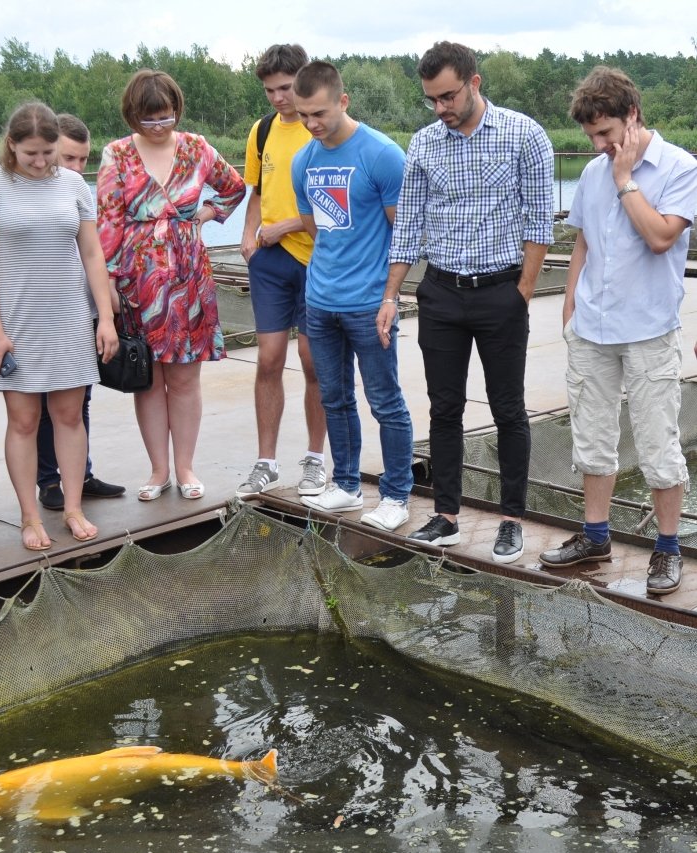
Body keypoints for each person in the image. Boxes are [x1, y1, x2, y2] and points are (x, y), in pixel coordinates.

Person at [379, 41, 555, 563]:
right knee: (445, 406)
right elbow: (407, 225)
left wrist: (522, 292)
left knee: (507, 409)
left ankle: (511, 519)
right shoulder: (425, 143)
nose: (441, 108)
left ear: (474, 83)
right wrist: (391, 296)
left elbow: (540, 220)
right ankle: (447, 515)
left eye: (449, 96)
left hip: (501, 290)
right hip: (441, 293)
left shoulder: (525, 134)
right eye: (432, 99)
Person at [538, 67, 697, 596]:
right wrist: (568, 304)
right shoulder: (589, 173)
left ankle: (668, 547)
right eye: (592, 139)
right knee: (591, 437)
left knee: (658, 443)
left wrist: (627, 179)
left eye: (606, 134)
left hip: (649, 328)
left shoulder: (678, 167)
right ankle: (595, 535)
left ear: (632, 115)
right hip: (592, 326)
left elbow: (658, 237)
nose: (601, 146)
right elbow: (582, 243)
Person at [0, 102, 118, 547]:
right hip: (18, 316)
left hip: (69, 314)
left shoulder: (73, 184)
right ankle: (29, 516)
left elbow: (92, 254)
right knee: (24, 420)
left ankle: (73, 507)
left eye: (48, 152)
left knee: (70, 416)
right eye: (30, 153)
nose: (40, 161)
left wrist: (105, 319)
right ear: (11, 144)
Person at [97, 70, 245, 502]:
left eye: (166, 117)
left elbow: (234, 188)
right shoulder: (117, 155)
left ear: (176, 110)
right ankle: (159, 469)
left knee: (183, 377)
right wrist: (106, 279)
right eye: (150, 120)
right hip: (136, 277)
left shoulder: (196, 148)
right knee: (147, 375)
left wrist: (208, 214)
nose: (159, 126)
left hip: (186, 275)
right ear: (133, 116)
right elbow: (107, 220)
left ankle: (185, 466)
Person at [290, 61, 414, 528]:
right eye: (304, 115)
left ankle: (397, 495)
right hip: (320, 301)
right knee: (335, 399)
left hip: (368, 303)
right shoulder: (305, 159)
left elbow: (402, 233)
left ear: (343, 101)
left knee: (385, 400)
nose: (312, 124)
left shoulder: (381, 154)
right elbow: (314, 230)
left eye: (319, 113)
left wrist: (389, 297)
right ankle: (344, 485)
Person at [235, 44, 328, 501]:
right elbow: (255, 190)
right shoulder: (263, 129)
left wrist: (287, 225)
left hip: (315, 257)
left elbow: (336, 205)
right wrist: (249, 236)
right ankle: (265, 462)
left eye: (286, 88)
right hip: (270, 262)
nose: (278, 98)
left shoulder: (320, 129)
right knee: (268, 359)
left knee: (315, 362)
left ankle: (315, 459)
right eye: (270, 90)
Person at [35, 113, 125, 512]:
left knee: (79, 399)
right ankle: (48, 480)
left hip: (80, 305)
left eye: (83, 160)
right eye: (68, 158)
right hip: (42, 311)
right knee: (41, 402)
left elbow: (94, 250)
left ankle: (80, 474)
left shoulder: (78, 192)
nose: (76, 168)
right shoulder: (29, 194)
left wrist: (106, 294)